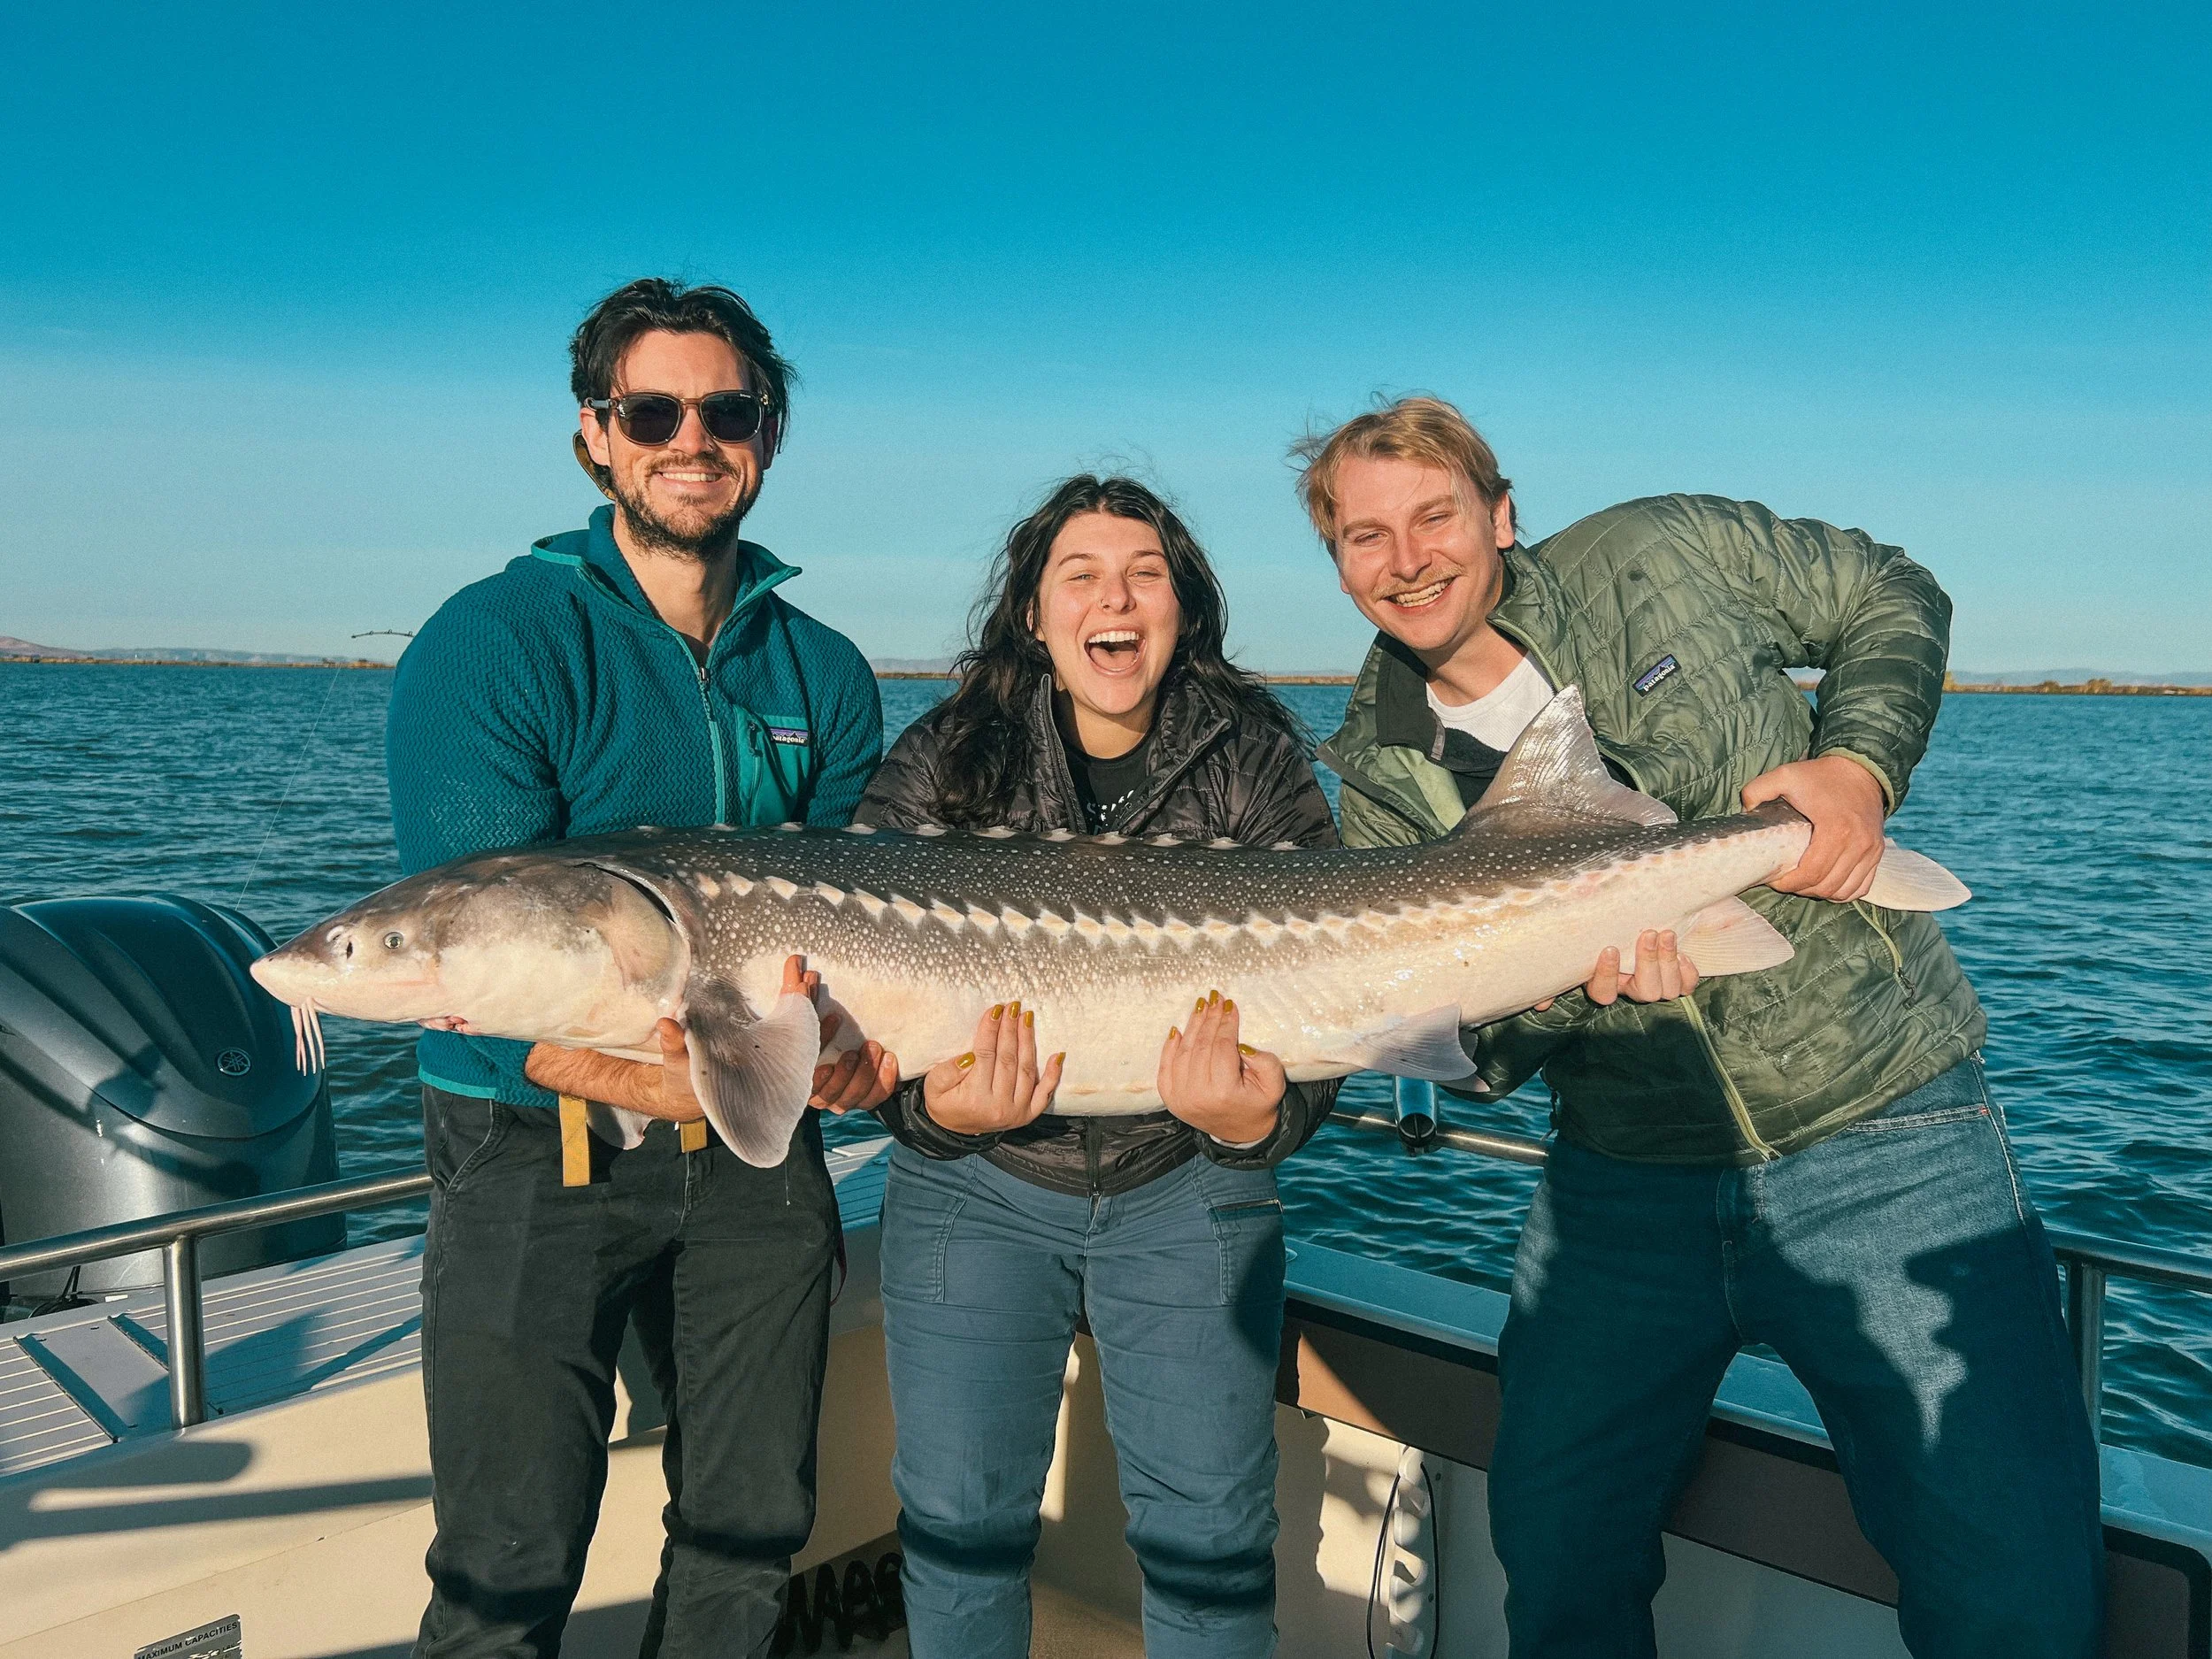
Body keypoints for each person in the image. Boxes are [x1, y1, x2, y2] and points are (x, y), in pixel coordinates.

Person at [1298, 398, 2102, 1658]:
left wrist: (1860, 767)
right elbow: (1478, 1051)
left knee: (2015, 1580)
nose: (1406, 559)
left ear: (1500, 514)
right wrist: (1575, 982)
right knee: (1555, 1540)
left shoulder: (1658, 552)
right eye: (1363, 536)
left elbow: (1893, 593)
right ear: (1338, 563)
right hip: (1625, 1178)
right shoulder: (1383, 760)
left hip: (1885, 1120)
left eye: (1435, 516)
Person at [386, 277, 895, 1659]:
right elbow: (509, 999)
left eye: (725, 410)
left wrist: (852, 1060)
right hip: (531, 1152)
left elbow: (866, 943)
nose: (691, 437)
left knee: (748, 1529)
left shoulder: (826, 670)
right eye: (651, 410)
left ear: (767, 433)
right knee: (507, 1558)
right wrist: (707, 1081)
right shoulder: (492, 642)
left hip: (754, 1151)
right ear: (594, 438)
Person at [850, 475, 1340, 1659]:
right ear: (1033, 609)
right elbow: (859, 1002)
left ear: (1185, 607)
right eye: (1080, 573)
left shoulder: (1256, 764)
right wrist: (938, 1113)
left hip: (1190, 1184)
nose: (1113, 598)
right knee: (961, 1526)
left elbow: (1340, 991)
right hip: (980, 1188)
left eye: (1145, 573)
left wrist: (1255, 1121)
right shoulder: (943, 757)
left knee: (1212, 1540)